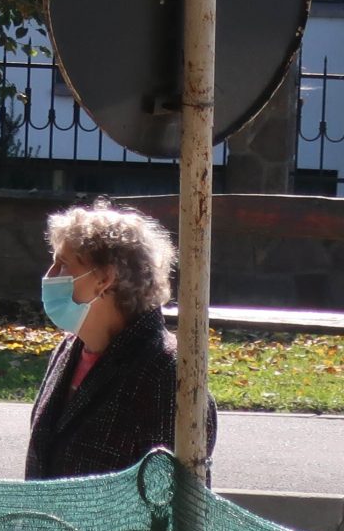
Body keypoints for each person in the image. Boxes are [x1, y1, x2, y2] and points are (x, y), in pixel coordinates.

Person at [25, 202, 214, 479]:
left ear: (105, 279)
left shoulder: (169, 375)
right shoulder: (68, 350)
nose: (49, 276)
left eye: (63, 265)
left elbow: (180, 506)